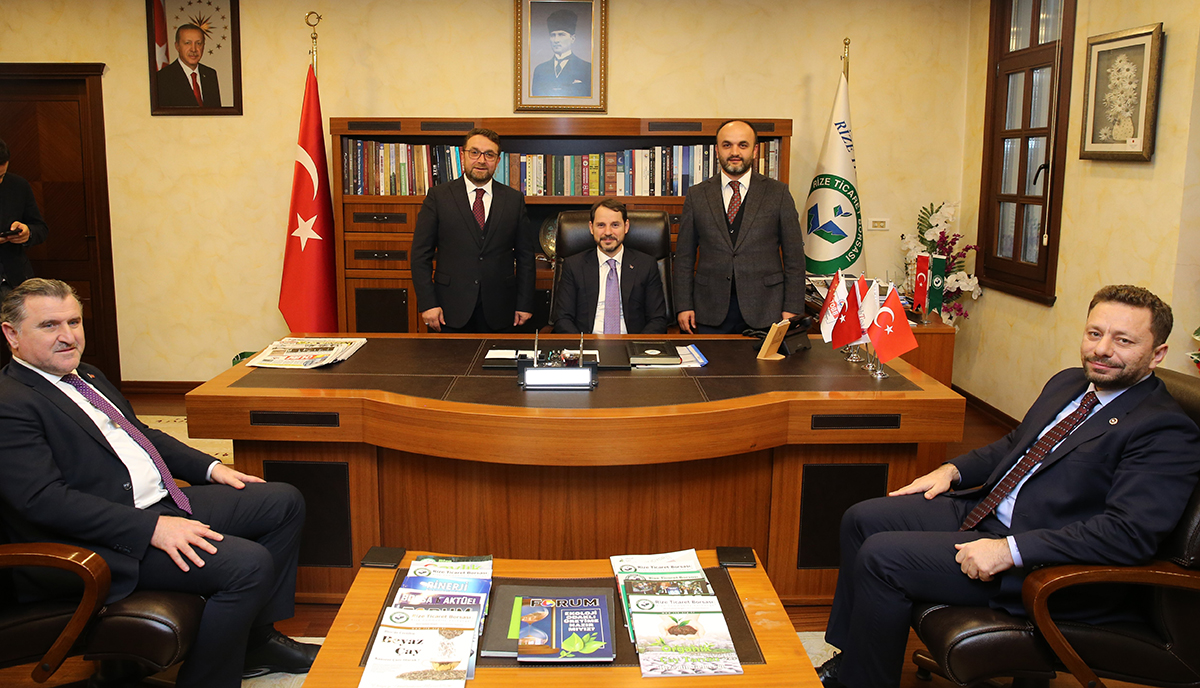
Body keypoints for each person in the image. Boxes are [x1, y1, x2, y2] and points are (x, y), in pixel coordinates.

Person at [817, 284, 1200, 688]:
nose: (1101, 349)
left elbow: (1127, 534)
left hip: (1045, 564)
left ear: (1158, 354)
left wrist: (1010, 550)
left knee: (883, 558)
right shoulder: (1069, 382)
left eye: (1123, 341)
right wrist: (952, 469)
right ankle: (853, 660)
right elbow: (1017, 444)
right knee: (862, 518)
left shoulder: (1164, 429)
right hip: (990, 511)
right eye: (1094, 333)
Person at [0, 278, 319, 688]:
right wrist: (152, 527)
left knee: (280, 501)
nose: (68, 336)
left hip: (155, 504)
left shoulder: (87, 375)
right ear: (12, 334)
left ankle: (254, 643)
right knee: (247, 565)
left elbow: (141, 433)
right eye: (49, 326)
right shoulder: (11, 403)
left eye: (74, 322)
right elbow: (43, 501)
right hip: (97, 541)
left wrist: (210, 468)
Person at [672, 119, 805, 334]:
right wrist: (684, 305)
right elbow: (684, 257)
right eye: (727, 145)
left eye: (743, 145)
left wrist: (792, 308)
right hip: (708, 310)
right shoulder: (697, 195)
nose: (735, 152)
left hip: (766, 309)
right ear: (717, 150)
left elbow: (795, 258)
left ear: (754, 150)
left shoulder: (778, 193)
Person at [411, 128, 536, 333]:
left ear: (498, 160)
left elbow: (525, 257)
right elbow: (420, 255)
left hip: (501, 309)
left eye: (489, 154)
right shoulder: (438, 197)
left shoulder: (513, 200)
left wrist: (524, 303)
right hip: (448, 309)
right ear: (463, 156)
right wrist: (428, 303)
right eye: (474, 152)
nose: (481, 160)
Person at [552, 198, 668, 334]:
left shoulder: (646, 265)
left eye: (615, 225)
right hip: (588, 342)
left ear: (626, 227)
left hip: (631, 342)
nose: (608, 232)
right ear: (591, 228)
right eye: (601, 225)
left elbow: (657, 319)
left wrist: (637, 345)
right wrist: (583, 345)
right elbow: (562, 319)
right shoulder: (573, 266)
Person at [0, 138, 48, 301]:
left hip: (15, 279)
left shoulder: (18, 185)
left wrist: (28, 233)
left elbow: (41, 228)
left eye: (1, 176)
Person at [530, 9, 592, 97]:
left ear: (572, 39)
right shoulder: (540, 70)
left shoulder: (587, 68)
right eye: (553, 35)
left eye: (561, 35)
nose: (556, 40)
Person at [157, 24, 222, 107]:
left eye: (198, 43)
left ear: (203, 46)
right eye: (187, 43)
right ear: (177, 46)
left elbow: (216, 112)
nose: (193, 49)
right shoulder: (163, 78)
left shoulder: (210, 74)